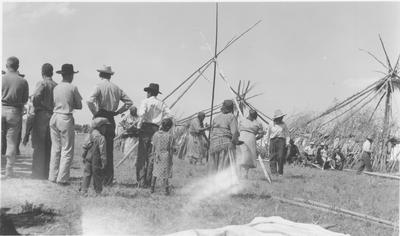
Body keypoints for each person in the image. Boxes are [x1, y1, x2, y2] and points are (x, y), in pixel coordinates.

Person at [87, 65, 133, 185]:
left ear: (100, 74)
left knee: (96, 149)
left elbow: (89, 100)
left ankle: (97, 179)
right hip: (110, 119)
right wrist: (118, 112)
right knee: (108, 151)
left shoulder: (99, 86)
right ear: (110, 75)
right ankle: (108, 179)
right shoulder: (117, 88)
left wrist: (95, 113)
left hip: (100, 117)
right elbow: (129, 102)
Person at [48, 64, 82, 185]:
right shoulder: (73, 87)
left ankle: (52, 176)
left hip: (54, 116)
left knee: (55, 149)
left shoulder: (56, 87)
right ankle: (62, 179)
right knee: (67, 149)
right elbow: (79, 105)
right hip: (65, 117)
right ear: (70, 75)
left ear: (62, 74)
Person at [137, 83, 171, 188]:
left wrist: (138, 126)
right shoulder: (162, 104)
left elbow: (141, 114)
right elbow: (170, 115)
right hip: (156, 130)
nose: (147, 94)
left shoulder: (145, 101)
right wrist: (162, 125)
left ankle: (141, 181)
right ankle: (148, 181)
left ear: (150, 92)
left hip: (146, 128)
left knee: (142, 156)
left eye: (147, 92)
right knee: (152, 156)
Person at [1, 57, 29, 178]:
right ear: (18, 66)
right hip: (15, 111)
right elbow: (25, 99)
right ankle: (9, 170)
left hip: (1, 108)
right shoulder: (23, 81)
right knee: (11, 142)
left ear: (7, 65)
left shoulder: (2, 79)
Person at [30, 63, 57, 179]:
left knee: (39, 145)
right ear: (52, 72)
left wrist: (36, 104)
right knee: (49, 145)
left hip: (41, 115)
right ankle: (46, 172)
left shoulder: (41, 83)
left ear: (42, 72)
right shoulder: (56, 85)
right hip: (53, 115)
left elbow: (35, 96)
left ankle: (37, 173)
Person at [209, 100, 240, 173]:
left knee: (214, 165)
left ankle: (212, 181)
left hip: (214, 144)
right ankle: (223, 182)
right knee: (225, 165)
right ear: (231, 108)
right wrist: (233, 143)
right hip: (225, 143)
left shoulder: (216, 118)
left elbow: (212, 131)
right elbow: (235, 132)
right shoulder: (231, 117)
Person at [80, 117, 109, 196]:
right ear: (101, 127)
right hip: (97, 159)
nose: (106, 129)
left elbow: (85, 147)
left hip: (88, 157)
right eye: (105, 127)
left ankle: (83, 190)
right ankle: (98, 191)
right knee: (97, 175)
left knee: (87, 173)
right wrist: (104, 161)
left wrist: (84, 156)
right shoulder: (101, 138)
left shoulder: (89, 135)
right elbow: (102, 151)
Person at [150, 118, 175, 195]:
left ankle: (152, 189)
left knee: (155, 173)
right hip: (166, 156)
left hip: (157, 156)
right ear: (168, 127)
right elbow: (171, 148)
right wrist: (171, 158)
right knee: (165, 174)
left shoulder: (156, 134)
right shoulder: (170, 136)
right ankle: (166, 190)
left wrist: (152, 155)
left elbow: (153, 146)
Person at [237, 110, 264, 178]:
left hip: (249, 140)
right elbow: (237, 131)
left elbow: (261, 134)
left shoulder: (257, 123)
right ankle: (239, 173)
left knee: (247, 158)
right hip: (243, 139)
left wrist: (255, 139)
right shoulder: (242, 120)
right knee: (241, 156)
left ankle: (244, 174)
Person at [267, 109, 289, 176]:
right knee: (272, 156)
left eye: (282, 117)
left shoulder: (284, 124)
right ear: (277, 118)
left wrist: (287, 142)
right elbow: (268, 133)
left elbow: (287, 134)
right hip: (272, 141)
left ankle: (280, 172)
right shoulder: (271, 124)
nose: (281, 118)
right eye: (280, 117)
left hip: (281, 141)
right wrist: (266, 142)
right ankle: (274, 172)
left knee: (280, 156)